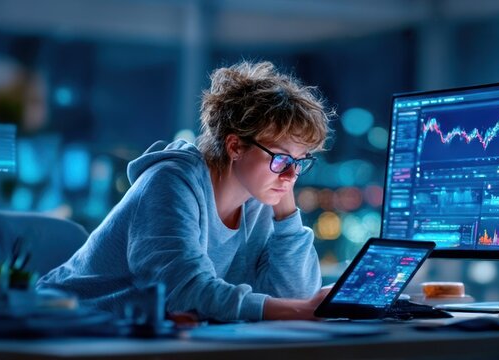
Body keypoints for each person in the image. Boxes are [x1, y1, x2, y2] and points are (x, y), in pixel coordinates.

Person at [38, 61, 333, 321]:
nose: (292, 175)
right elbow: (182, 290)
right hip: (59, 327)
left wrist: (286, 214)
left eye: (299, 161)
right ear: (235, 146)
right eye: (281, 158)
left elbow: (296, 295)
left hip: (140, 340)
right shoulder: (170, 182)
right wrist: (300, 308)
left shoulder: (258, 199)